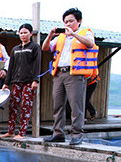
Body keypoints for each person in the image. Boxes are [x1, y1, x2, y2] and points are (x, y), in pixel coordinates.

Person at [42, 8, 97, 146]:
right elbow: (45, 48)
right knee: (58, 105)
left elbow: (90, 44)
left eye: (71, 21)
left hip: (75, 74)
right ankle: (58, 133)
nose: (68, 24)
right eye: (65, 21)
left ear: (79, 21)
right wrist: (49, 35)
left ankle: (76, 134)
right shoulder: (60, 37)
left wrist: (73, 34)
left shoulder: (86, 33)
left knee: (76, 105)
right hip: (59, 73)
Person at [0, 23, 41, 140]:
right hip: (16, 81)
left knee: (25, 106)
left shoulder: (34, 47)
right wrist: (6, 83)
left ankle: (22, 133)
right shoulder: (15, 49)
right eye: (21, 33)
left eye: (25, 33)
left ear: (31, 34)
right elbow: (11, 67)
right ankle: (11, 131)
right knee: (13, 105)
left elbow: (37, 64)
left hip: (28, 81)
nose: (23, 35)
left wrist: (35, 80)